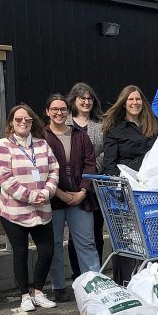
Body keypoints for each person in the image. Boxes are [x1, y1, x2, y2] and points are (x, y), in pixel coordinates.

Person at [103, 85, 158, 282]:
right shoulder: (116, 130)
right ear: (124, 103)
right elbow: (110, 165)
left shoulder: (152, 124)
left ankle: (155, 279)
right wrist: (123, 188)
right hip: (131, 190)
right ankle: (128, 280)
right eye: (130, 100)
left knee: (157, 235)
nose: (135, 103)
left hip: (154, 191)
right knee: (132, 239)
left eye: (138, 99)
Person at [0, 104, 60, 311]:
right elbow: (4, 177)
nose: (23, 122)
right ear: (11, 123)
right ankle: (24, 296)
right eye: (19, 119)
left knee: (47, 251)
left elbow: (54, 169)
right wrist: (31, 196)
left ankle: (38, 291)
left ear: (33, 122)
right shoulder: (3, 145)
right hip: (14, 211)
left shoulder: (42, 144)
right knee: (20, 252)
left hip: (42, 209)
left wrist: (46, 193)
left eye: (28, 119)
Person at [44, 93, 100, 301]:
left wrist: (83, 191)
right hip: (53, 198)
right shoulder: (43, 137)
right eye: (55, 109)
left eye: (63, 109)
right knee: (55, 244)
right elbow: (41, 169)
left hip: (80, 197)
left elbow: (90, 164)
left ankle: (94, 283)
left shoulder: (80, 135)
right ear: (47, 112)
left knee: (86, 242)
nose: (59, 113)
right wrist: (58, 192)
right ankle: (58, 287)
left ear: (68, 112)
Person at [68, 82, 107, 276]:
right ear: (74, 101)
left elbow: (107, 151)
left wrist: (93, 166)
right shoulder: (64, 122)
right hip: (70, 184)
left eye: (89, 98)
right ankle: (78, 274)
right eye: (82, 98)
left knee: (96, 232)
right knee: (76, 235)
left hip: (95, 184)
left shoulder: (101, 124)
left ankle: (96, 273)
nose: (86, 101)